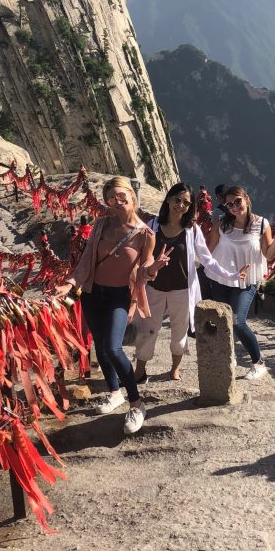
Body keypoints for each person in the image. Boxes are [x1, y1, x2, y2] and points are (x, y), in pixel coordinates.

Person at [56, 176, 169, 435]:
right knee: (99, 345)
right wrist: (71, 283)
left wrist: (155, 268)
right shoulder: (101, 224)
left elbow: (143, 271)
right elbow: (86, 260)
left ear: (131, 195)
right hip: (93, 293)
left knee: (113, 347)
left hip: (119, 295)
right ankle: (114, 392)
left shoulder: (145, 234)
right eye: (111, 199)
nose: (117, 203)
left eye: (121, 197)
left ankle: (136, 403)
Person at [135, 182, 248, 383]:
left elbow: (207, 260)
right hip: (154, 288)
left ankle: (174, 369)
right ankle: (140, 370)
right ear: (168, 199)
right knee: (148, 330)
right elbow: (138, 253)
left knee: (179, 330)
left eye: (186, 203)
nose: (181, 205)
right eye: (177, 200)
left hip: (182, 290)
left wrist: (231, 275)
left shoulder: (191, 230)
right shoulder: (151, 227)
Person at [206, 185, 275, 380]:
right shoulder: (222, 223)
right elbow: (208, 250)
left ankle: (259, 363)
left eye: (237, 201)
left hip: (247, 280)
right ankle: (228, 357)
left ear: (247, 199)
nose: (234, 207)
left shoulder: (262, 223)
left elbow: (268, 254)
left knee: (238, 321)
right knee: (223, 320)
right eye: (229, 204)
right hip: (220, 277)